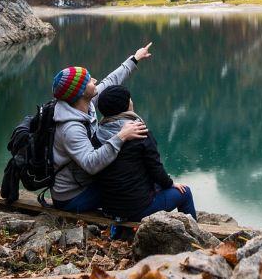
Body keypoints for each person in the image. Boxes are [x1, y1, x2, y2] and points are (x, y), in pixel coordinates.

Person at [50, 43, 153, 212]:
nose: (95, 80)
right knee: (130, 187)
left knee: (130, 179)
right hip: (72, 196)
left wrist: (135, 58)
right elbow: (91, 163)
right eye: (89, 80)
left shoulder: (84, 103)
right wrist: (121, 136)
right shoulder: (70, 129)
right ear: (81, 91)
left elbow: (110, 80)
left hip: (84, 181)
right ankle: (123, 227)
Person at [93, 85, 196, 221]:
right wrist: (170, 184)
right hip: (136, 209)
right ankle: (196, 236)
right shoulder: (139, 132)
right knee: (185, 192)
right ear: (125, 105)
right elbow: (155, 168)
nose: (131, 101)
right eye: (129, 99)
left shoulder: (98, 133)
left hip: (109, 208)